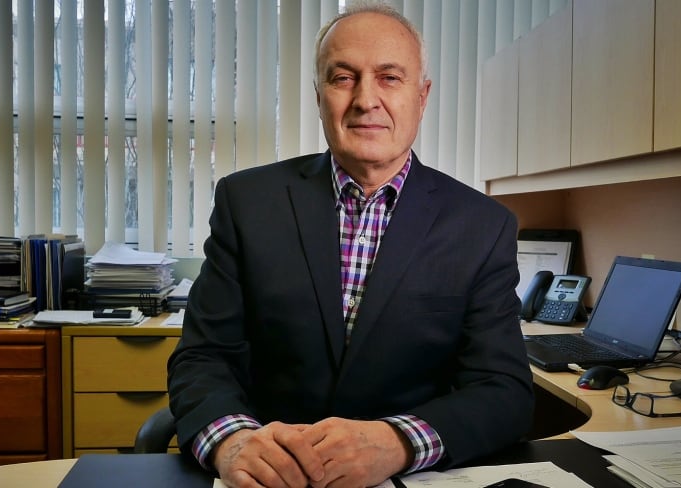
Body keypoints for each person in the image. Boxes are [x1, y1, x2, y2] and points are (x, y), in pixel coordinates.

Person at [167, 2, 534, 487]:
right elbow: (203, 356)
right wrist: (231, 439)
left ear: (421, 97)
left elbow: (502, 389)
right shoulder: (247, 202)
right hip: (269, 480)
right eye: (343, 78)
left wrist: (398, 442)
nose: (366, 99)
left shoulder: (483, 226)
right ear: (319, 96)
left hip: (404, 479)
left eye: (389, 78)